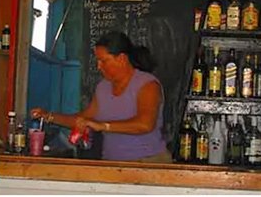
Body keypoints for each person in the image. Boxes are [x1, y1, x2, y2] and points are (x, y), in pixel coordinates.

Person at [31, 32, 170, 162]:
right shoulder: (103, 87)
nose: (98, 66)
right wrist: (48, 116)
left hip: (149, 162)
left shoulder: (147, 84)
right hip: (112, 163)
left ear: (121, 59)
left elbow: (144, 124)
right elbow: (83, 119)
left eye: (103, 61)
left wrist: (103, 126)